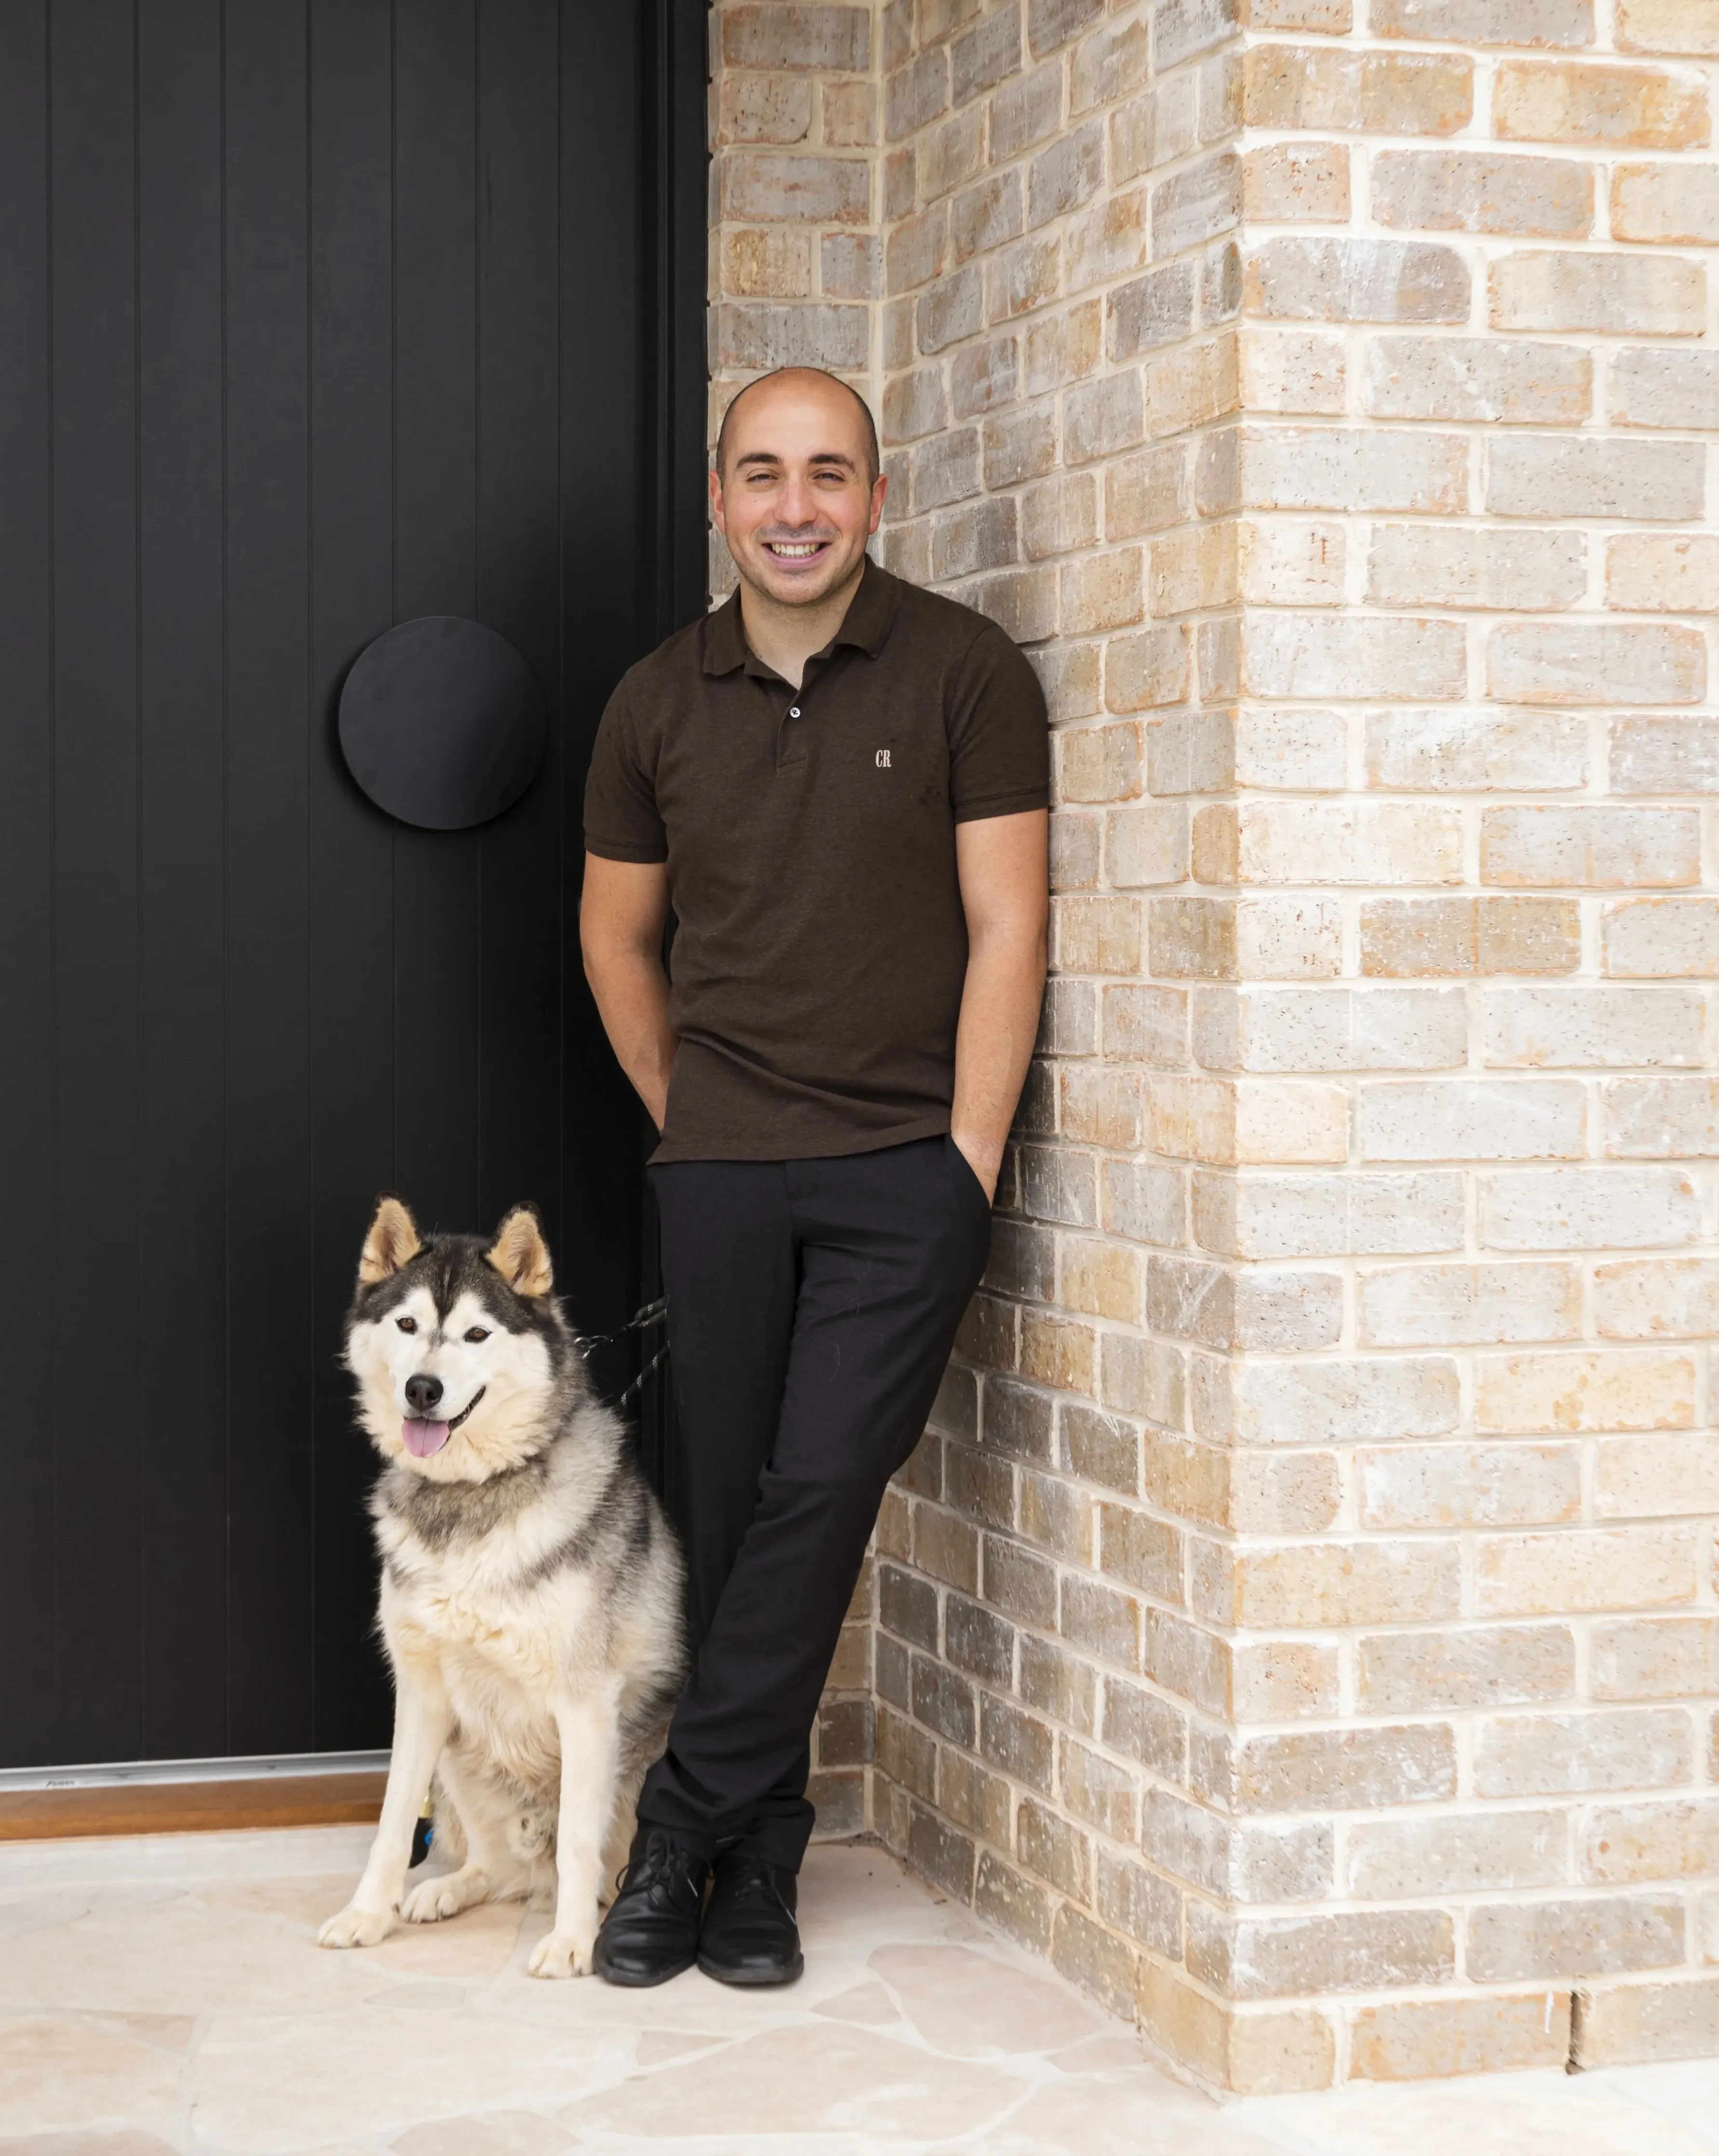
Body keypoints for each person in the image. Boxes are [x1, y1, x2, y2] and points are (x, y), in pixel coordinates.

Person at [578, 365, 1049, 1988]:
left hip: (900, 1173)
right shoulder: (652, 699)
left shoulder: (964, 672)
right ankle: (755, 1869)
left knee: (821, 1491)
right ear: (717, 500)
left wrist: (966, 1162)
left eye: (828, 474)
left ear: (875, 496)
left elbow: (1009, 927)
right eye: (764, 474)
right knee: (729, 1511)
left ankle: (672, 1837)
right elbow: (614, 933)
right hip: (719, 1169)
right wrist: (683, 1112)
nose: (796, 506)